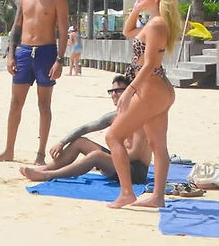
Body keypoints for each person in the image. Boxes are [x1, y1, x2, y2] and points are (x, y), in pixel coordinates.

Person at [106, 0, 179, 210]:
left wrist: (129, 91)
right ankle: (157, 197)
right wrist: (136, 9)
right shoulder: (154, 23)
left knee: (113, 136)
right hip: (158, 90)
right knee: (157, 144)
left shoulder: (157, 25)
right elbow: (127, 31)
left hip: (150, 89)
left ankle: (127, 193)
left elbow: (148, 65)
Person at [0, 0, 69, 165]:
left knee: (44, 104)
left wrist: (60, 60)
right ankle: (8, 150)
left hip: (46, 53)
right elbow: (16, 26)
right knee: (15, 103)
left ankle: (40, 153)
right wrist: (11, 54)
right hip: (24, 52)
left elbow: (63, 31)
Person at [17, 73, 150, 185]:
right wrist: (62, 143)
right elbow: (85, 128)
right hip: (119, 160)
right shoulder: (115, 116)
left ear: (130, 92)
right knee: (80, 142)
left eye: (119, 91)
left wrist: (106, 158)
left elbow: (135, 154)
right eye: (112, 91)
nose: (114, 94)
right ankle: (45, 169)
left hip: (135, 172)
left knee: (97, 155)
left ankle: (50, 175)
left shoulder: (138, 118)